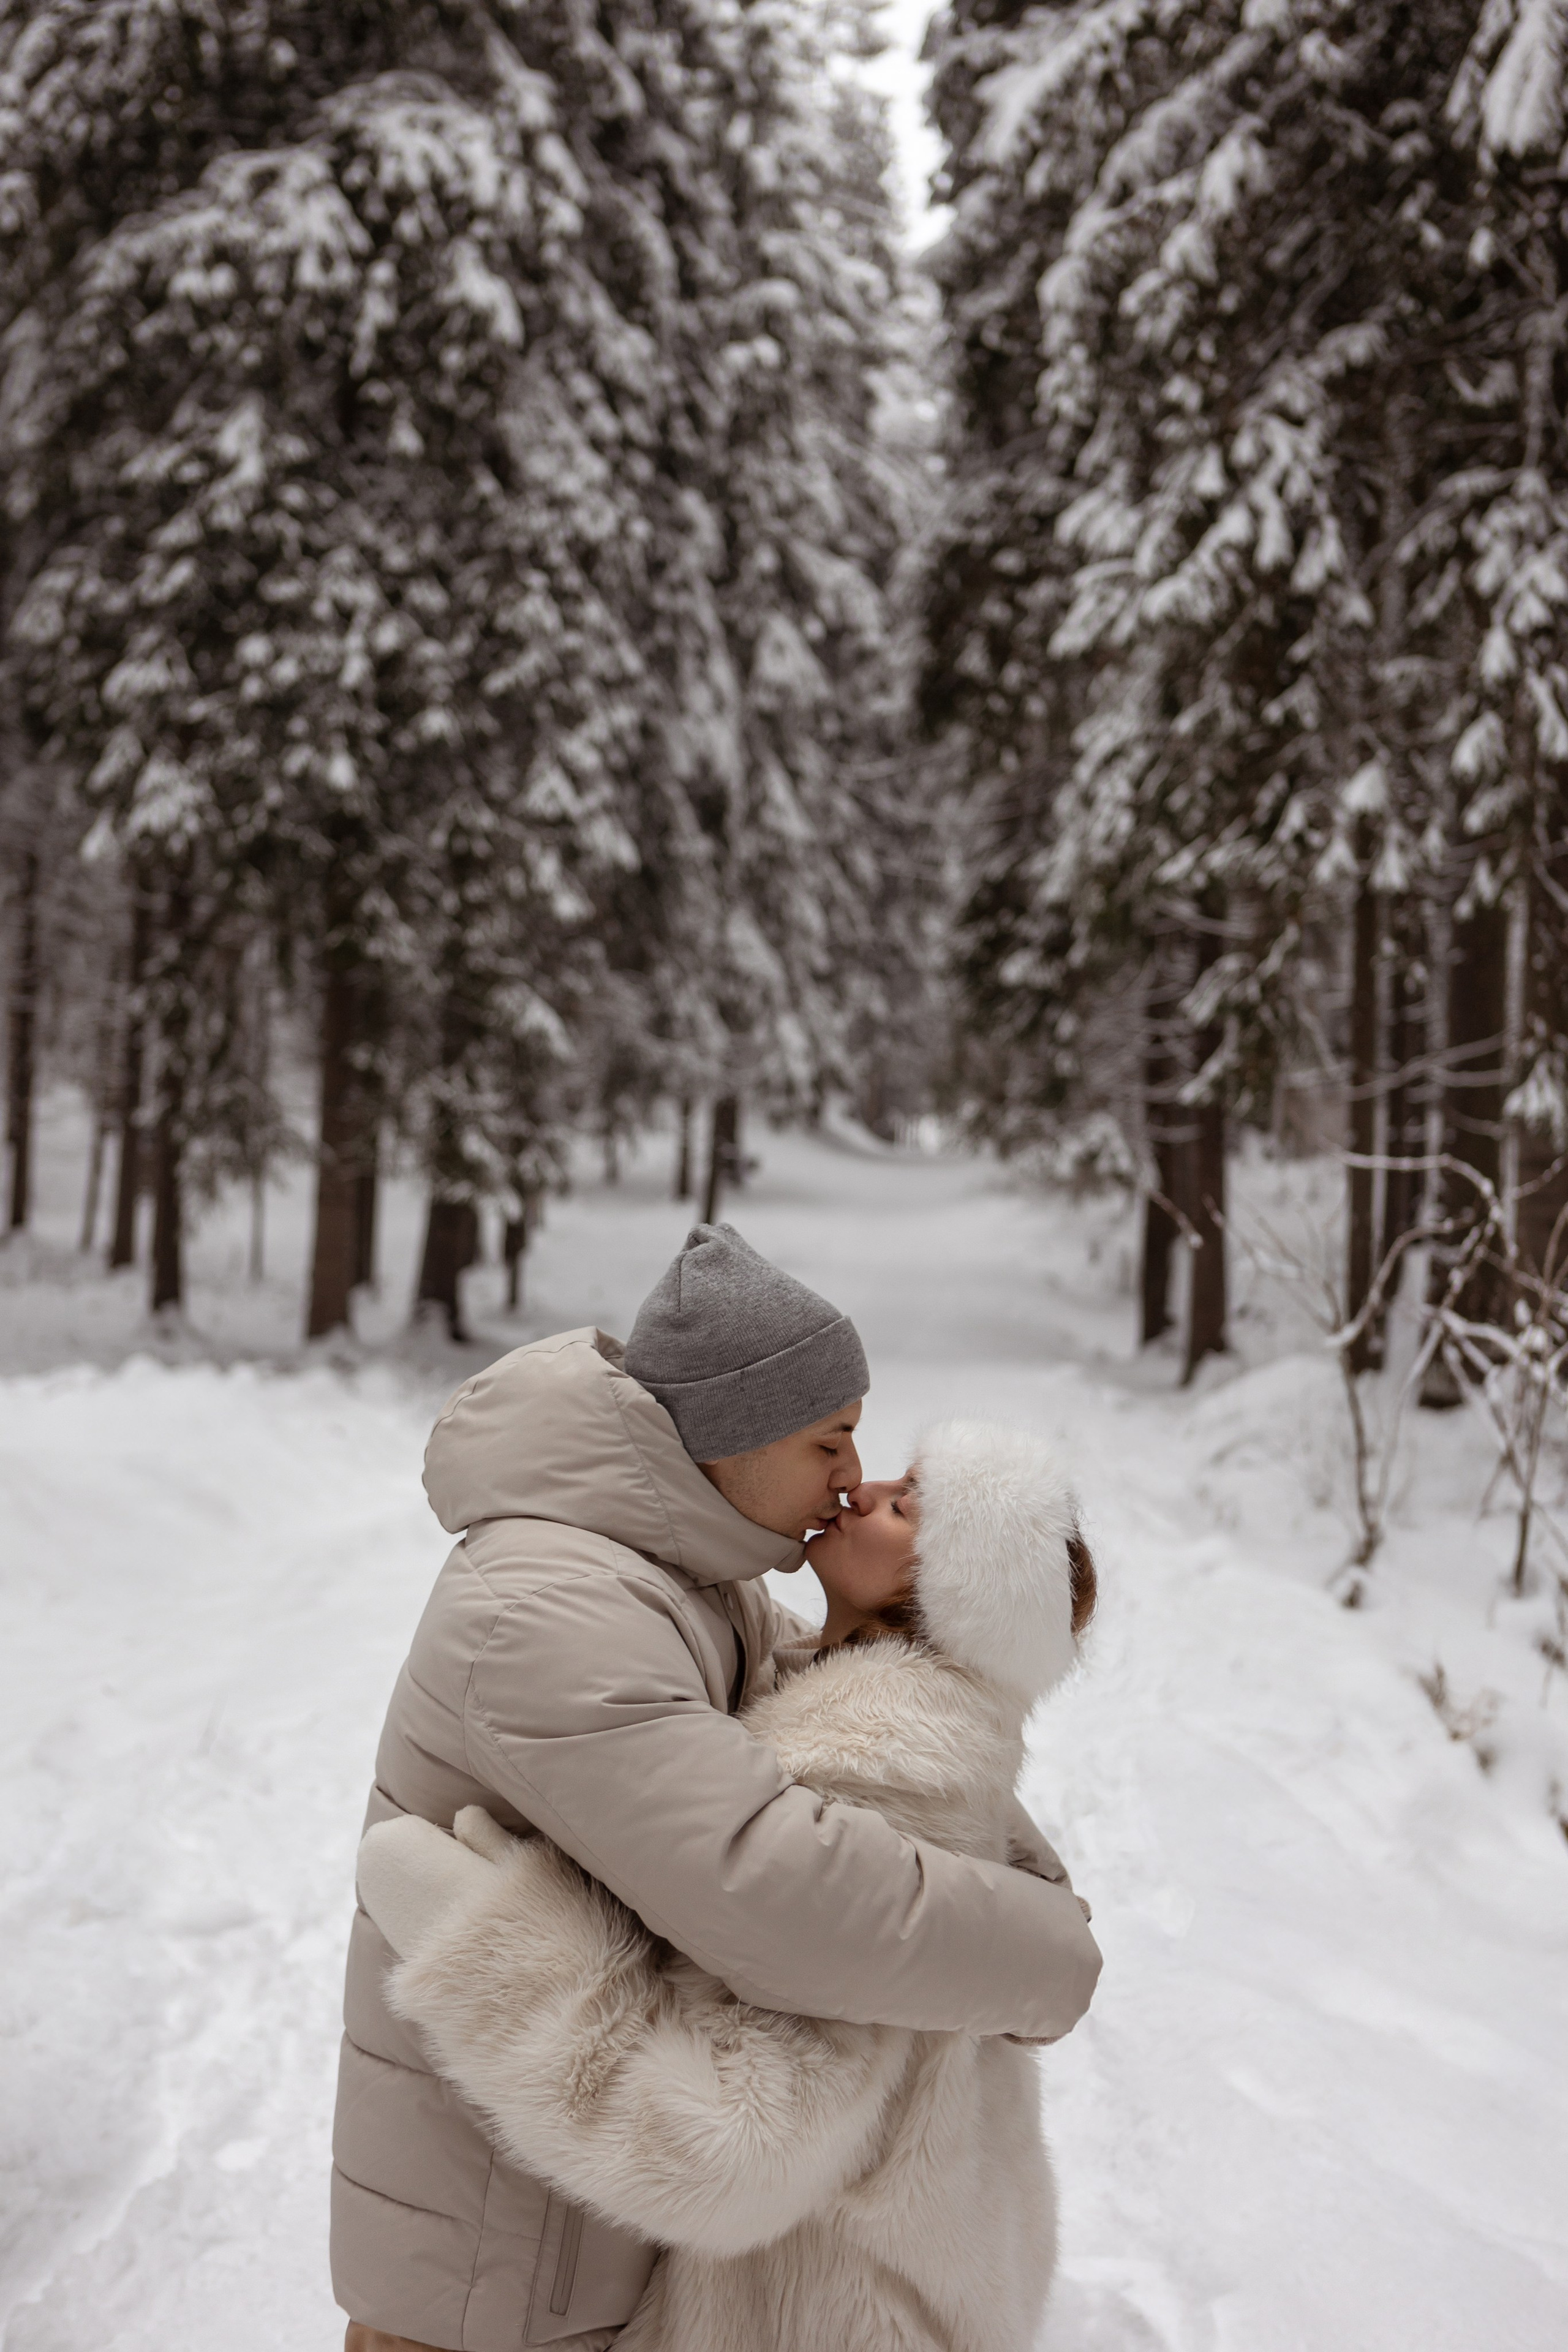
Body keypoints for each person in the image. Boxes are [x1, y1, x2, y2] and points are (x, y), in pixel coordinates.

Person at [331, 1225, 1100, 2352]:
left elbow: (845, 1746)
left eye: (883, 1473)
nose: (853, 1477)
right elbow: (777, 1887)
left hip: (558, 2249)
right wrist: (1043, 1952)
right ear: (736, 1434)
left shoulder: (685, 1579)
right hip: (489, 2269)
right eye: (832, 1441)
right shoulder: (564, 1605)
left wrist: (1020, 1885)